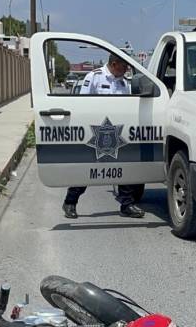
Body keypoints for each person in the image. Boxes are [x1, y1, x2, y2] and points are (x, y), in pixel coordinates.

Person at [62, 52, 146, 220]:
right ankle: (70, 202)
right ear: (114, 64)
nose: (126, 69)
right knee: (88, 168)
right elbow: (82, 104)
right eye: (124, 66)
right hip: (96, 131)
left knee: (125, 168)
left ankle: (126, 205)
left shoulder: (124, 82)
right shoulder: (94, 77)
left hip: (118, 131)